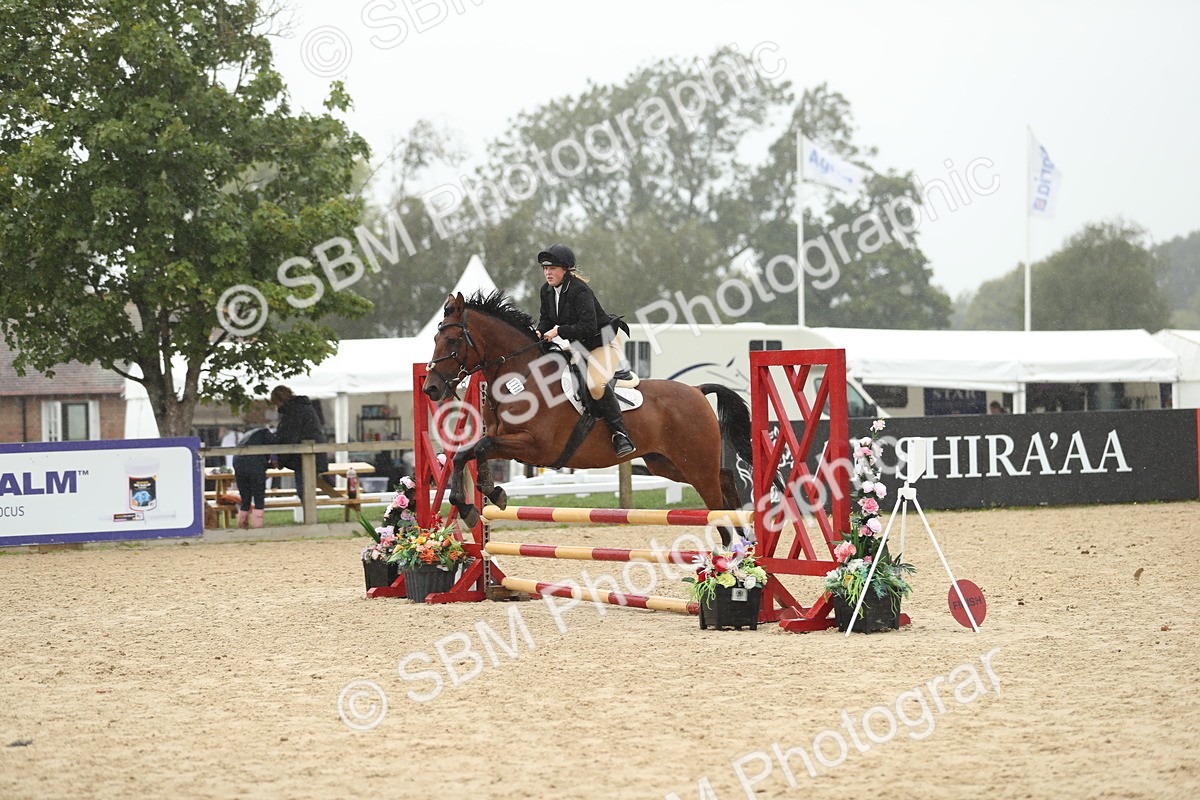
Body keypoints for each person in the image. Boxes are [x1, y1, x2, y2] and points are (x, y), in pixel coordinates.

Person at [534, 243, 635, 457]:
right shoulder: (547, 291)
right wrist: (538, 332)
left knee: (595, 384)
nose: (548, 272)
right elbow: (546, 319)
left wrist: (558, 330)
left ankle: (620, 434)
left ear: (565, 269)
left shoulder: (580, 290)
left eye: (552, 268)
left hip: (603, 343)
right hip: (580, 346)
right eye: (545, 268)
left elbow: (588, 326)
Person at [270, 385, 330, 505]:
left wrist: (280, 460)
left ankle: (310, 520)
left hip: (303, 459)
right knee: (307, 490)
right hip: (313, 456)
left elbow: (289, 438)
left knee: (304, 491)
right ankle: (309, 518)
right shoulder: (304, 408)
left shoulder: (293, 412)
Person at [232, 424, 273, 529]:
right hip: (255, 466)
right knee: (259, 498)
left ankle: (242, 525)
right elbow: (274, 450)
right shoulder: (266, 434)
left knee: (245, 498)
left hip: (239, 464)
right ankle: (257, 526)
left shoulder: (247, 437)